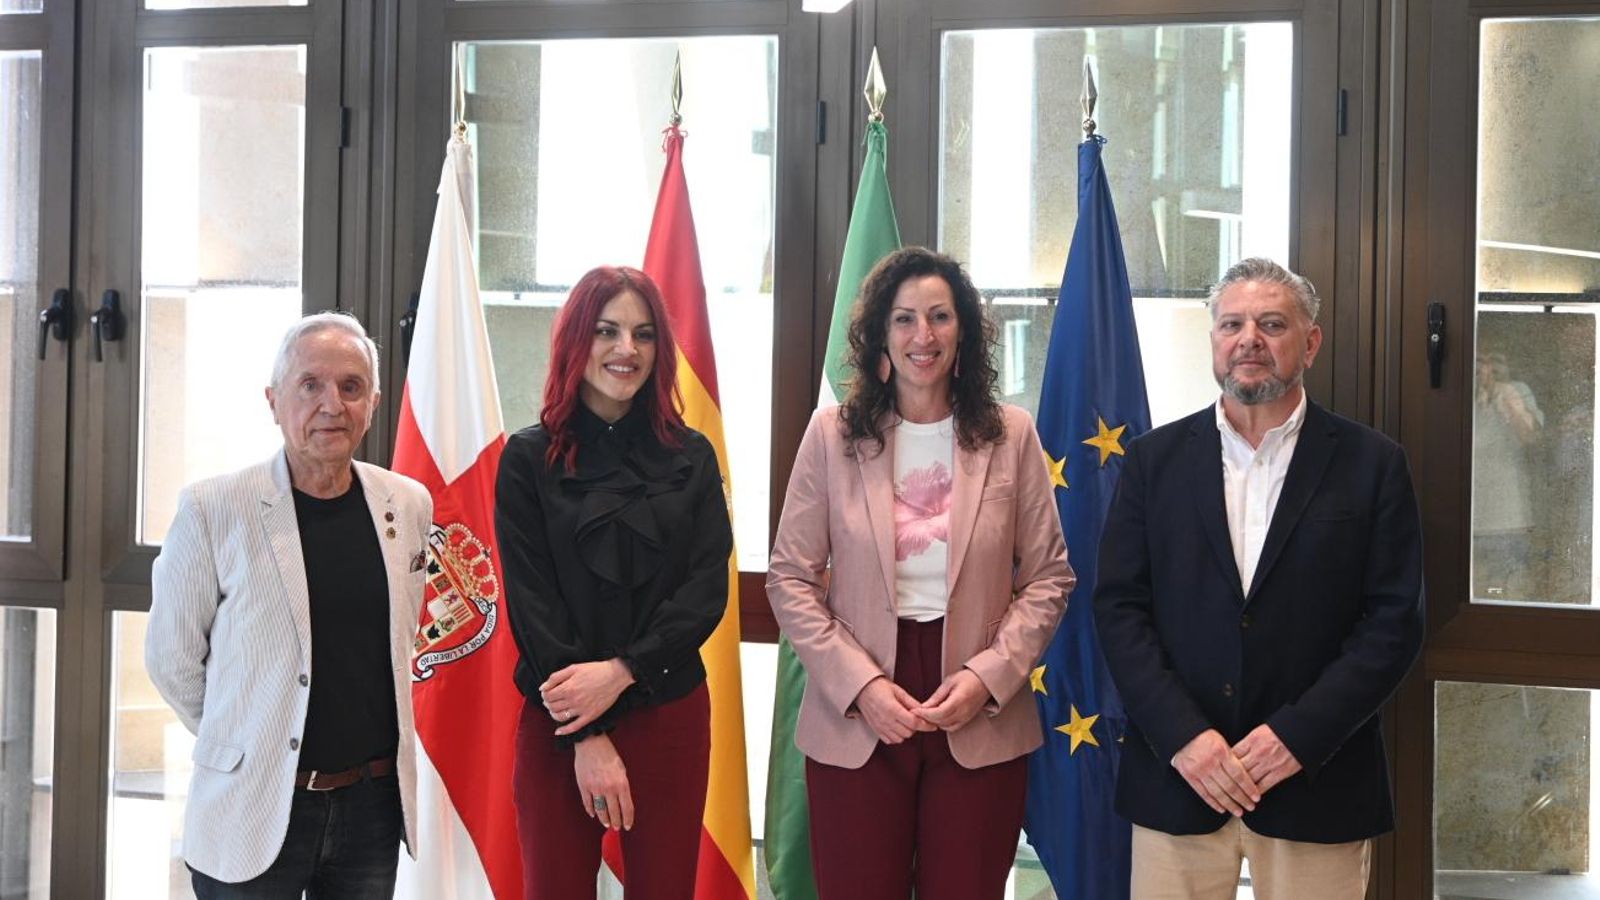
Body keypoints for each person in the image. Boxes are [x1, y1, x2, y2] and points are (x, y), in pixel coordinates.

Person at [1094, 257, 1424, 899]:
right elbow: (1120, 610)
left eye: (1272, 323)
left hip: (1316, 780)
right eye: (1232, 324)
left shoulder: (1373, 464)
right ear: (1214, 340)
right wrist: (1185, 739)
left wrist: (1295, 739)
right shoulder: (1151, 463)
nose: (1249, 339)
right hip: (1180, 779)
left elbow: (1393, 622)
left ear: (1311, 342)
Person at [767, 246, 1074, 900]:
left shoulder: (1011, 435)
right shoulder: (832, 434)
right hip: (858, 708)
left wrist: (985, 679)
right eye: (904, 319)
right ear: (881, 334)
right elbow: (790, 578)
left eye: (939, 316)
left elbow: (1050, 578)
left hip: (977, 711)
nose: (922, 335)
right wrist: (864, 687)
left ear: (963, 330)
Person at [147, 312, 433, 898]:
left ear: (373, 403)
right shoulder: (213, 508)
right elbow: (171, 659)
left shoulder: (407, 505)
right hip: (252, 805)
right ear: (275, 401)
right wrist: (250, 736)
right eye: (311, 385)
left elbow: (401, 640)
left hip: (371, 811)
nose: (332, 403)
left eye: (350, 387)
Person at [495, 265, 731, 900]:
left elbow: (707, 589)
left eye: (643, 334)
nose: (627, 350)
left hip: (669, 711)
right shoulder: (526, 459)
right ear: (576, 339)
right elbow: (532, 606)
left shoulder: (693, 457)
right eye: (607, 330)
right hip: (559, 718)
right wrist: (585, 731)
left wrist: (623, 671)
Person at [1472, 350, 1543, 600]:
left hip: (1509, 520)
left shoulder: (1516, 391)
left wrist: (1509, 402)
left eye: (1495, 362)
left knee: (1509, 598)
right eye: (1481, 362)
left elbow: (1532, 439)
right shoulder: (1458, 392)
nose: (1488, 370)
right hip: (1469, 520)